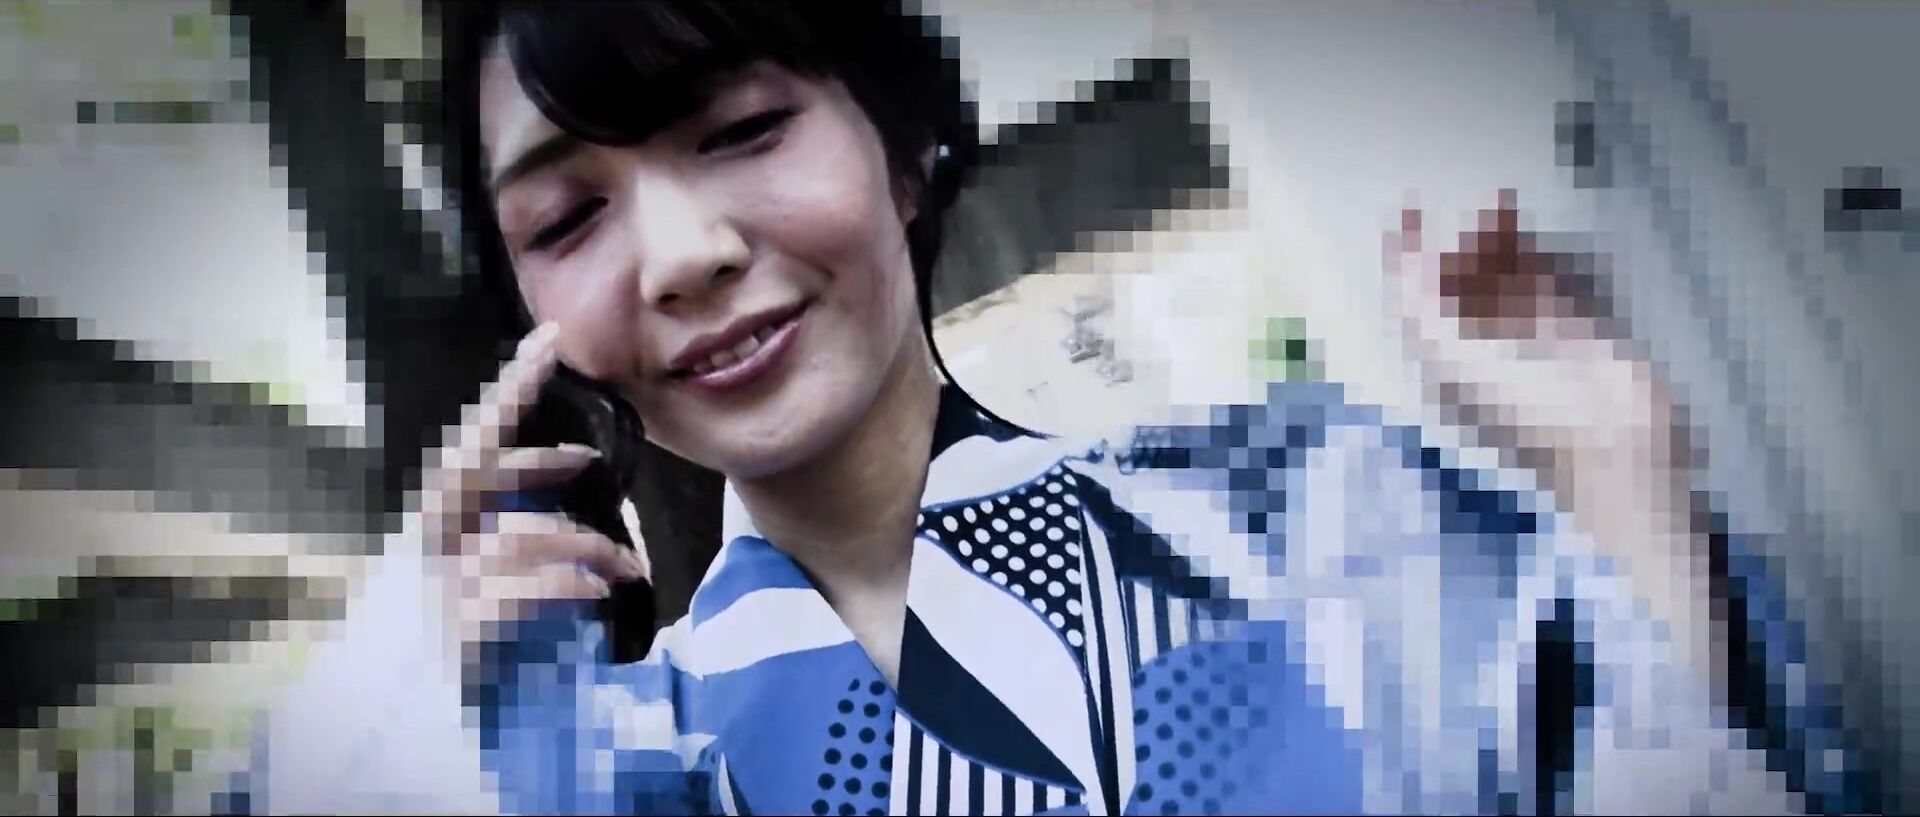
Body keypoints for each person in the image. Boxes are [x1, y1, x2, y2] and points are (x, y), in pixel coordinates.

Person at [234, 2, 1877, 814]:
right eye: (568, 217)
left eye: (740, 131)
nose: (679, 255)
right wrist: (369, 726)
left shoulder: (1327, 508)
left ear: (899, 143)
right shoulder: (596, 765)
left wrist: (1612, 473)